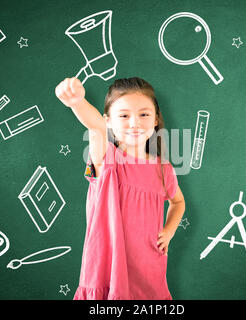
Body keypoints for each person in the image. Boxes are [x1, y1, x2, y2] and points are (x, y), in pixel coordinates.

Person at [55, 76, 185, 300]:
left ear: (155, 119)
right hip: (107, 267)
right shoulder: (107, 159)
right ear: (109, 120)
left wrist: (170, 230)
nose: (134, 123)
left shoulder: (164, 169)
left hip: (149, 269)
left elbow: (178, 202)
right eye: (124, 116)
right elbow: (94, 126)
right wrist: (77, 102)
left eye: (144, 114)